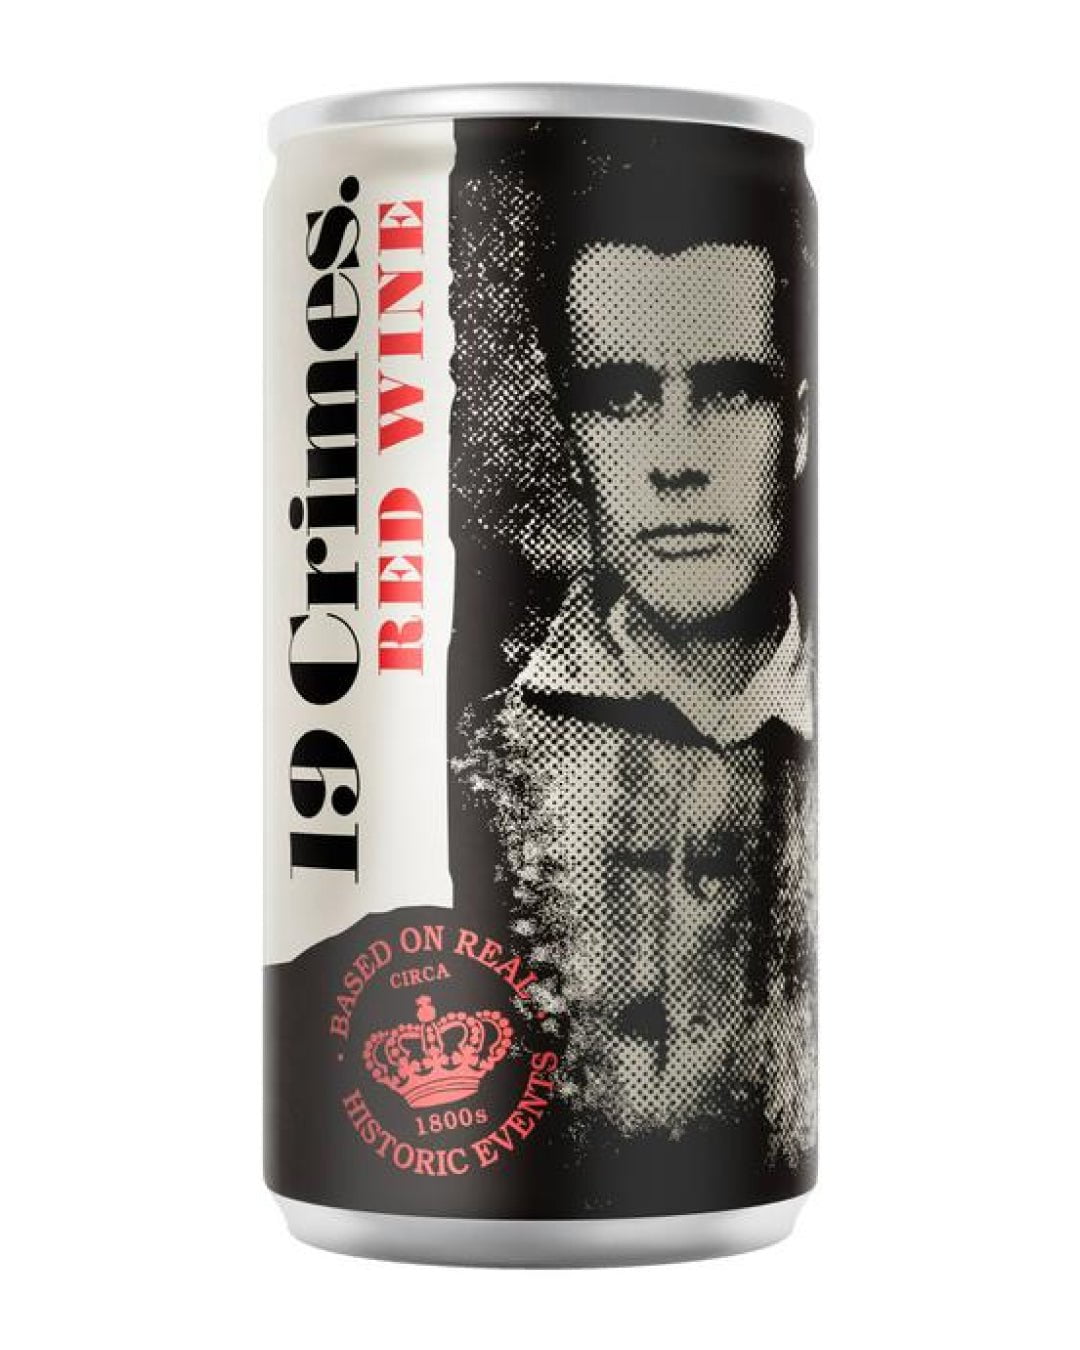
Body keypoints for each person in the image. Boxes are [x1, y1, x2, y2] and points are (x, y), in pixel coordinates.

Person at [458, 132, 816, 1172]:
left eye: (730, 391)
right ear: (574, 437)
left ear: (797, 428)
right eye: (620, 399)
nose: (674, 462)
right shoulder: (470, 766)